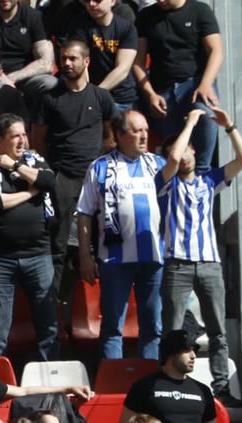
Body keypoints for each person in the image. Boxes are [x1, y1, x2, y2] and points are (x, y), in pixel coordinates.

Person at [159, 104, 242, 404]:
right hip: (177, 264)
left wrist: (230, 126)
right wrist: (192, 122)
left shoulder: (209, 181)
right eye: (179, 150)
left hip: (209, 263)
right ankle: (170, 384)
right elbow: (172, 157)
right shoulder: (166, 183)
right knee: (171, 330)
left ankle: (222, 388)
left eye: (188, 150)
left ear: (196, 153)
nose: (183, 155)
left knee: (217, 330)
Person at [77, 111, 166, 361]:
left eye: (146, 129)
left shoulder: (158, 165)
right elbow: (84, 213)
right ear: (120, 135)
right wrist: (85, 254)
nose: (144, 135)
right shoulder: (101, 167)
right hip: (114, 261)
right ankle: (112, 385)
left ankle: (149, 380)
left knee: (153, 327)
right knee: (112, 327)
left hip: (154, 258)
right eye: (137, 130)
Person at [31, 38, 116, 295]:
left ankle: (99, 304)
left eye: (73, 58)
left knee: (101, 242)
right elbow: (38, 140)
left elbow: (111, 138)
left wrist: (100, 170)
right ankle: (54, 310)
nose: (67, 63)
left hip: (95, 179)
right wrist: (54, 175)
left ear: (86, 61)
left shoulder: (102, 97)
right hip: (63, 179)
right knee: (58, 244)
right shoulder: (50, 99)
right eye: (64, 58)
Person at [0, 115, 59, 366]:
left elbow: (49, 181)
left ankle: (53, 383)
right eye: (15, 136)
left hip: (39, 255)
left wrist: (15, 167)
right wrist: (29, 192)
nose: (22, 141)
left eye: (24, 134)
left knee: (49, 328)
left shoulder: (35, 160)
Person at [133, 0, 221, 176]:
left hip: (194, 85)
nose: (161, 1)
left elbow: (216, 50)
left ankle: (203, 180)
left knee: (206, 115)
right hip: (162, 90)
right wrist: (150, 94)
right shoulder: (146, 16)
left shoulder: (200, 10)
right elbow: (138, 62)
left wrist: (205, 84)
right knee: (173, 152)